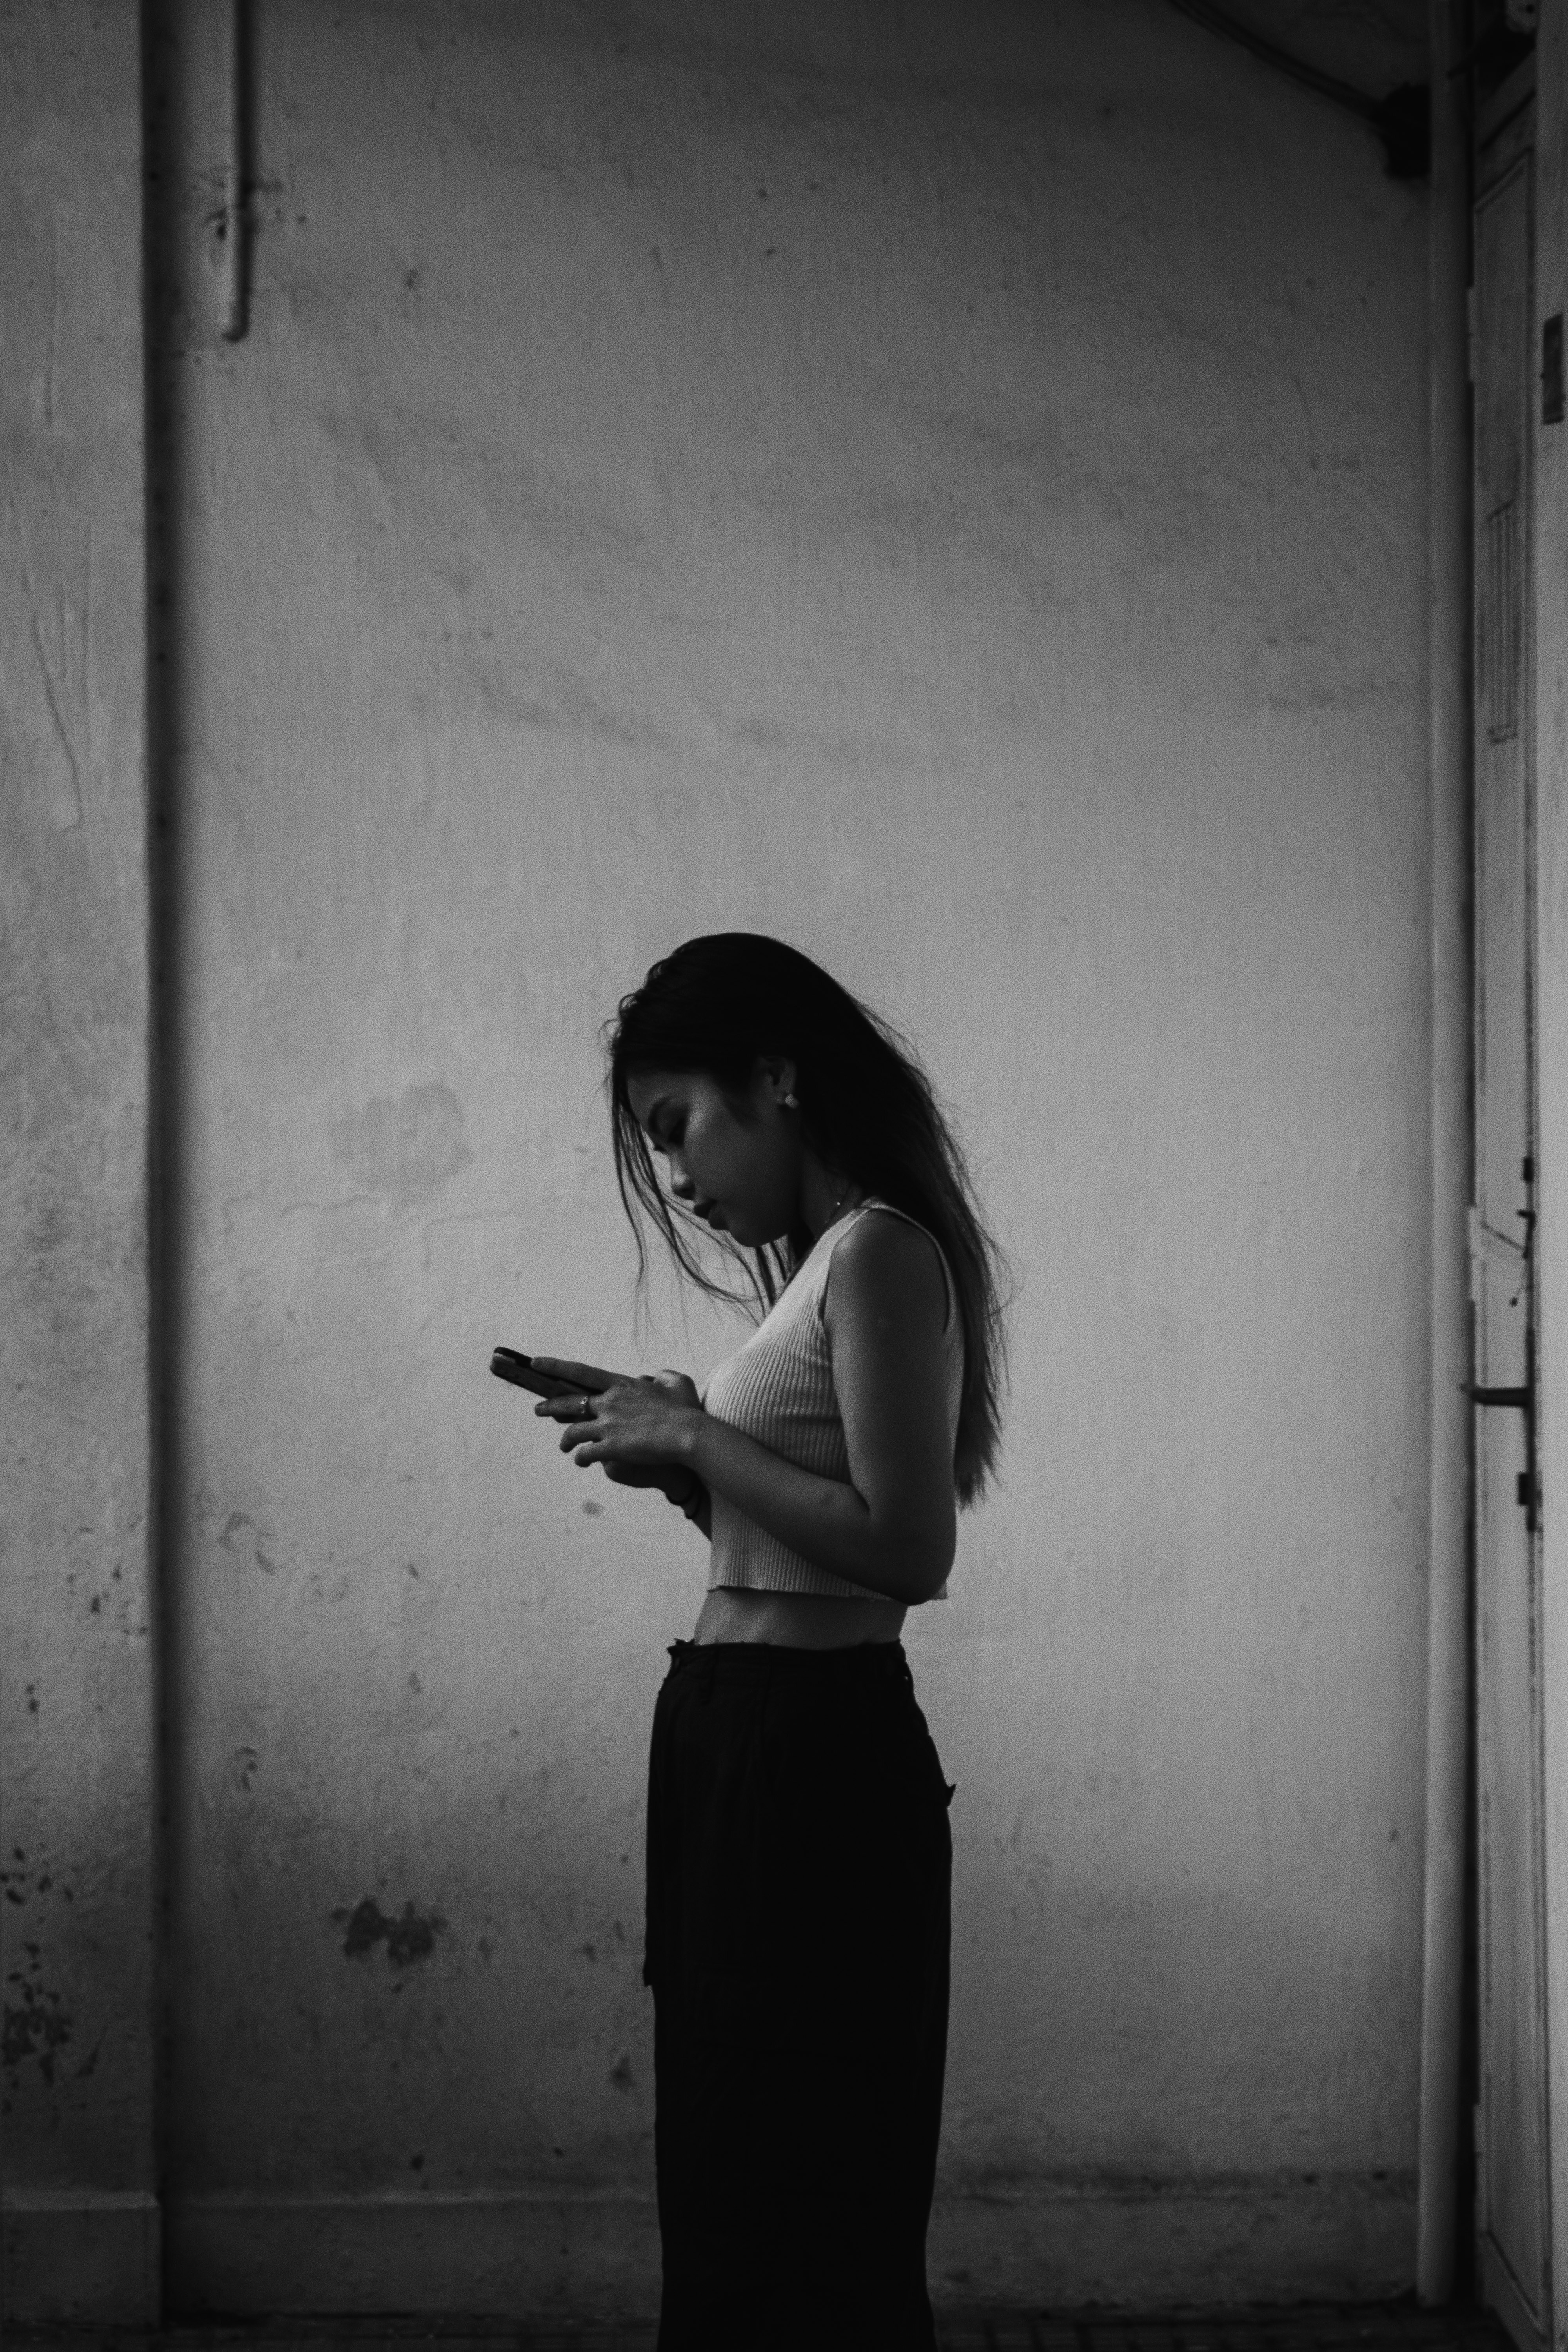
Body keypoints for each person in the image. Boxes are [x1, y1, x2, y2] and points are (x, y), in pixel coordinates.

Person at [529, 932, 1008, 2352]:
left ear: (778, 1079)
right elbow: (793, 1556)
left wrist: (695, 1432)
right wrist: (688, 1462)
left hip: (812, 1756)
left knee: (805, 2189)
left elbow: (908, 1554)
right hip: (747, 1735)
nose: (676, 1177)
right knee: (737, 2174)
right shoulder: (815, 1273)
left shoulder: (878, 1253)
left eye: (679, 1127)